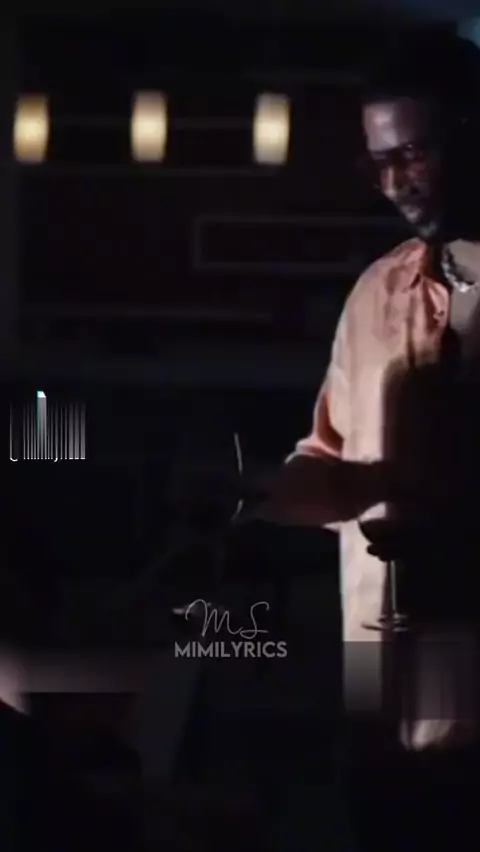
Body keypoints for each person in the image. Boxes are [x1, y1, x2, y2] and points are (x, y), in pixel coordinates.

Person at [253, 30, 480, 852]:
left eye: (412, 154)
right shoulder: (375, 293)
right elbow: (328, 456)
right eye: (377, 162)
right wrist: (267, 493)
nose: (394, 184)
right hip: (378, 698)